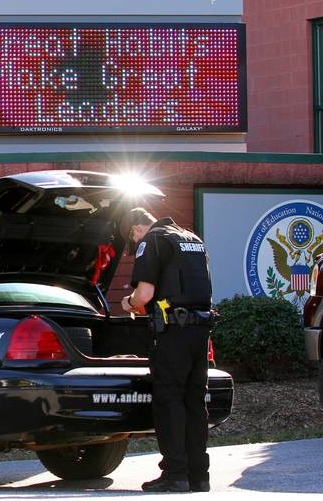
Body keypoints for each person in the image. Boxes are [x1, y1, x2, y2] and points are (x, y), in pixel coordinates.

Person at [120, 207, 214, 494]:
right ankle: (199, 476)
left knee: (169, 398)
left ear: (136, 229)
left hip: (173, 331)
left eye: (133, 238)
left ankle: (175, 475)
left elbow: (145, 295)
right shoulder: (191, 238)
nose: (136, 242)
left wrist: (128, 302)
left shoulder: (152, 240)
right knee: (195, 401)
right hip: (201, 329)